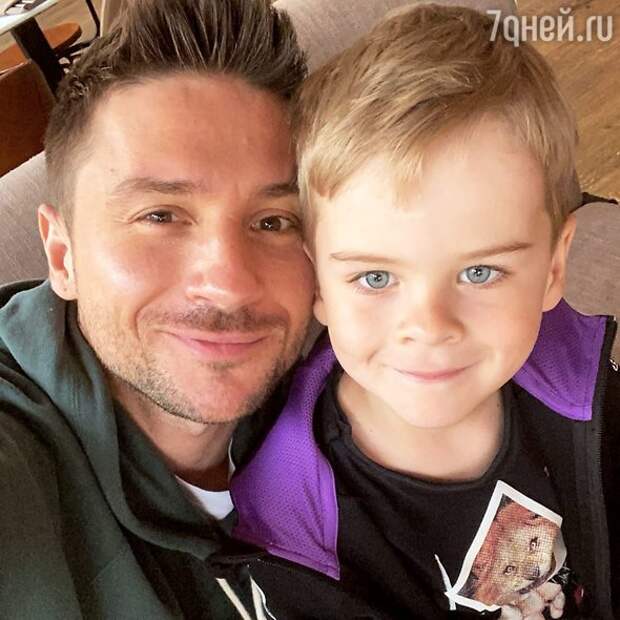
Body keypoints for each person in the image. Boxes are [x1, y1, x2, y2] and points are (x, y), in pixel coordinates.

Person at [230, 5, 620, 619]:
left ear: (552, 266)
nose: (430, 326)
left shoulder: (577, 378)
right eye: (375, 277)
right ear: (319, 282)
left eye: (479, 272)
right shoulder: (293, 528)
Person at [0, 0, 315, 617]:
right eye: (161, 216)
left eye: (274, 221)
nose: (229, 285)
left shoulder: (365, 374)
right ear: (63, 255)